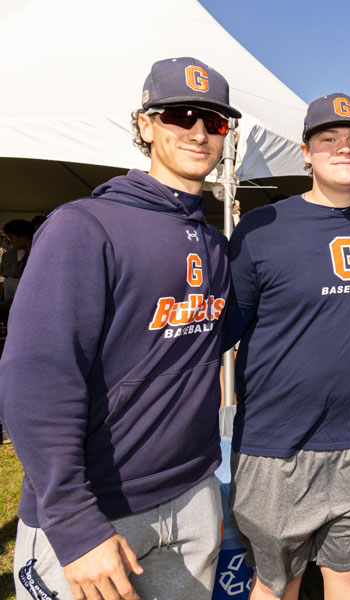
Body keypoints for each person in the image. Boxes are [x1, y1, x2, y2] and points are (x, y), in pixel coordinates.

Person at [0, 56, 239, 600]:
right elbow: (35, 380)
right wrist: (75, 524)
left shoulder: (214, 244)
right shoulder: (83, 226)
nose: (199, 131)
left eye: (216, 121)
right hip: (100, 511)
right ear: (145, 124)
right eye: (181, 114)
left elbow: (203, 345)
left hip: (193, 492)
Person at [226, 93, 350, 600]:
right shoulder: (262, 228)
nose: (344, 148)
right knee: (277, 581)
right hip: (275, 444)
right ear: (305, 152)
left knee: (349, 572)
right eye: (329, 138)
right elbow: (224, 330)